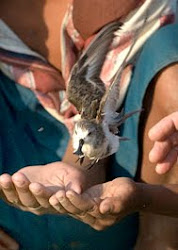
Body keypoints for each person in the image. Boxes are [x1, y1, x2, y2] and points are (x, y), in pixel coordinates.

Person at [0, 0, 178, 249]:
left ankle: (161, 240)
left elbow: (96, 120)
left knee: (171, 50)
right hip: (16, 202)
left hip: (134, 180)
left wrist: (82, 175)